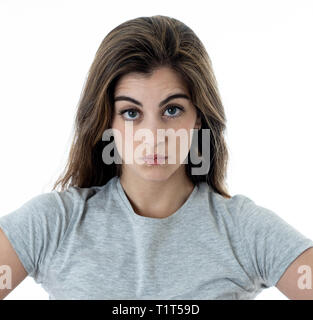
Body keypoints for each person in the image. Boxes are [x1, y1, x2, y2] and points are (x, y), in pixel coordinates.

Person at [1, 15, 313, 300]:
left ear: (199, 118)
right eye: (131, 112)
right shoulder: (54, 223)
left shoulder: (245, 231)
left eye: (172, 109)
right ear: (106, 121)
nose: (153, 135)